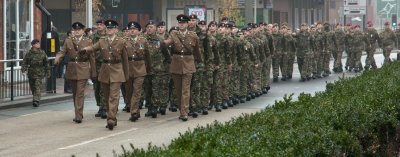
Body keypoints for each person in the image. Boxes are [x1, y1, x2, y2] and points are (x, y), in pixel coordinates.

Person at [81, 19, 129, 130]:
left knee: (114, 96)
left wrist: (126, 75)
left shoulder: (121, 41)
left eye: (111, 28)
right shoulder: (102, 41)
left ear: (116, 30)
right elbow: (93, 47)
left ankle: (111, 119)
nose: (109, 30)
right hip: (105, 71)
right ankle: (111, 115)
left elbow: (125, 60)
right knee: (107, 97)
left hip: (117, 71)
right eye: (108, 28)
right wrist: (85, 49)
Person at [162, 14, 203, 121]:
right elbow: (167, 43)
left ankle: (184, 112)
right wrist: (163, 44)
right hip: (176, 65)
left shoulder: (193, 35)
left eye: (183, 23)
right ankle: (182, 110)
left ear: (187, 24)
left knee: (185, 90)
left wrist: (199, 62)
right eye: (180, 23)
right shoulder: (174, 34)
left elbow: (197, 51)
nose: (181, 24)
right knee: (179, 90)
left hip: (188, 64)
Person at [54, 22, 96, 124]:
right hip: (72, 68)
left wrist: (93, 72)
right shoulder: (68, 41)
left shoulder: (88, 41)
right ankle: (78, 112)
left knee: (80, 93)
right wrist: (57, 58)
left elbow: (92, 57)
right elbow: (62, 52)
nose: (76, 31)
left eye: (79, 30)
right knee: (75, 93)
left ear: (82, 31)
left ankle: (78, 115)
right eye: (75, 30)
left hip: (83, 68)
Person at [124, 21, 151, 122]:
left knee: (137, 91)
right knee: (129, 93)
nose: (132, 31)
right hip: (128, 69)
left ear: (139, 31)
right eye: (130, 29)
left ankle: (134, 112)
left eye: (134, 29)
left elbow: (147, 55)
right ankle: (136, 111)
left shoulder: (143, 41)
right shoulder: (124, 41)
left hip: (140, 69)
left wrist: (148, 67)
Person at [21, 39, 49, 107]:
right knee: (33, 87)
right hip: (31, 73)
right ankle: (36, 97)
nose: (38, 44)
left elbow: (46, 63)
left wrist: (48, 71)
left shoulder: (42, 53)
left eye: (39, 43)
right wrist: (23, 70)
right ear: (33, 45)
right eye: (37, 43)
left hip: (39, 73)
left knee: (37, 87)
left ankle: (36, 100)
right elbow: (25, 62)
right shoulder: (29, 53)